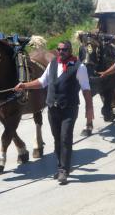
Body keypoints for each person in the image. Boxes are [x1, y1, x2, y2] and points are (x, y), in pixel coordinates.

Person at [15, 40, 94, 184]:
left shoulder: (79, 67)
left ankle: (64, 170)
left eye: (64, 49)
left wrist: (89, 110)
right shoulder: (52, 64)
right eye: (59, 49)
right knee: (57, 139)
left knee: (65, 138)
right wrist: (25, 85)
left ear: (70, 50)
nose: (61, 52)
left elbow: (86, 89)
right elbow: (42, 81)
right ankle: (60, 168)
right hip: (53, 108)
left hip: (69, 108)